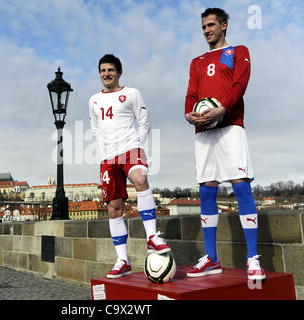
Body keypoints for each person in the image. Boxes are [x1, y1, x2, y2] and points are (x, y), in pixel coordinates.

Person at [184, 8, 266, 280]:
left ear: (224, 25)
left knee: (240, 185)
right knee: (206, 190)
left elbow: (240, 85)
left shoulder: (239, 51)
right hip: (203, 131)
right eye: (203, 27)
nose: (206, 30)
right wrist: (188, 114)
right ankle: (211, 258)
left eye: (210, 25)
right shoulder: (196, 61)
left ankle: (253, 258)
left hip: (230, 126)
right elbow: (191, 94)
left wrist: (223, 109)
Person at [89, 54, 170, 279]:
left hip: (130, 150)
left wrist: (138, 147)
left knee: (140, 180)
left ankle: (152, 237)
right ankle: (122, 260)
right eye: (103, 70)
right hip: (107, 158)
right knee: (114, 208)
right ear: (99, 73)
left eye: (111, 70)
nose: (107, 74)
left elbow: (144, 121)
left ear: (119, 73)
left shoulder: (131, 94)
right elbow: (95, 127)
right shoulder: (93, 100)